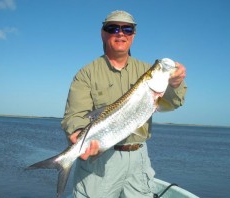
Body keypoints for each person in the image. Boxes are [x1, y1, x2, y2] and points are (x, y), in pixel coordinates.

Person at [61, 10, 187, 198]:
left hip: (138, 161)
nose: (120, 33)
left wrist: (175, 84)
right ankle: (62, 163)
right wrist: (79, 132)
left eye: (127, 29)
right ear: (103, 33)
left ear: (133, 35)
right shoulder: (86, 74)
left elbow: (172, 103)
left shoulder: (146, 70)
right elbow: (75, 116)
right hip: (99, 163)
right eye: (113, 28)